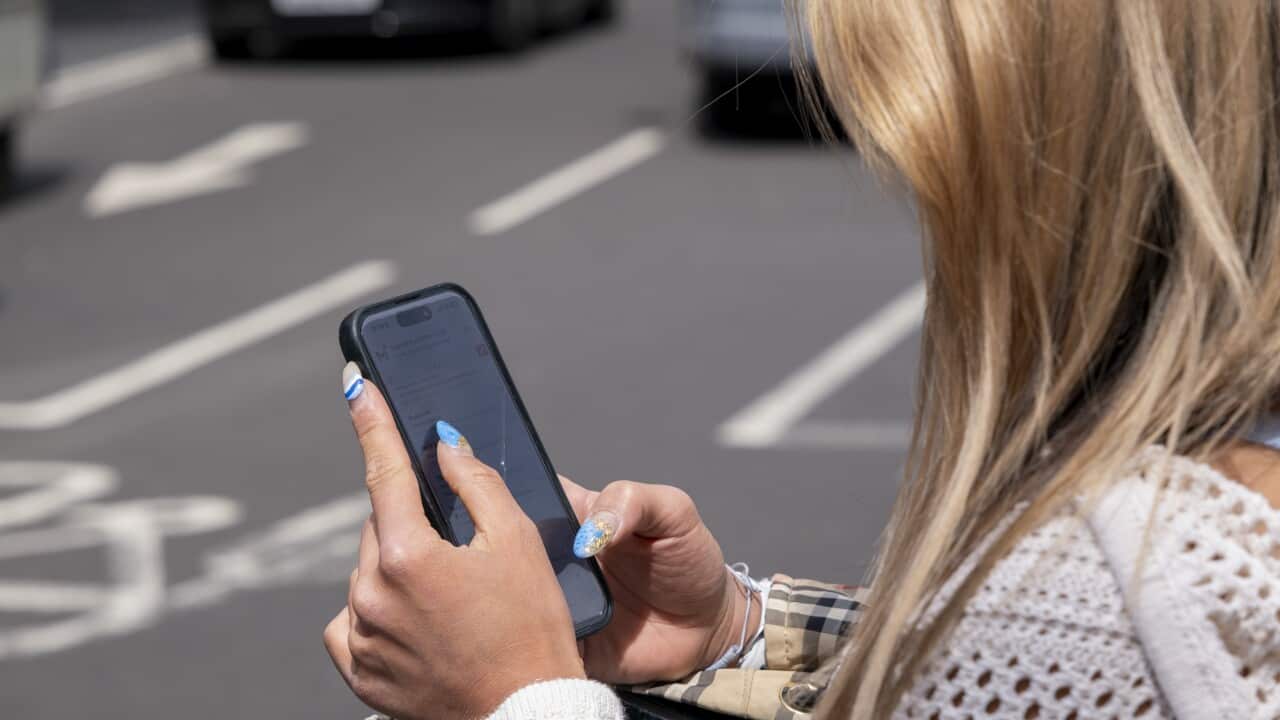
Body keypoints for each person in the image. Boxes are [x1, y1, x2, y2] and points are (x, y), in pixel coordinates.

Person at [322, 1, 1280, 718]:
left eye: (933, 178)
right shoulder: (1194, 536)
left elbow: (1050, 658)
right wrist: (740, 631)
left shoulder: (1111, 592)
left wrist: (515, 694)